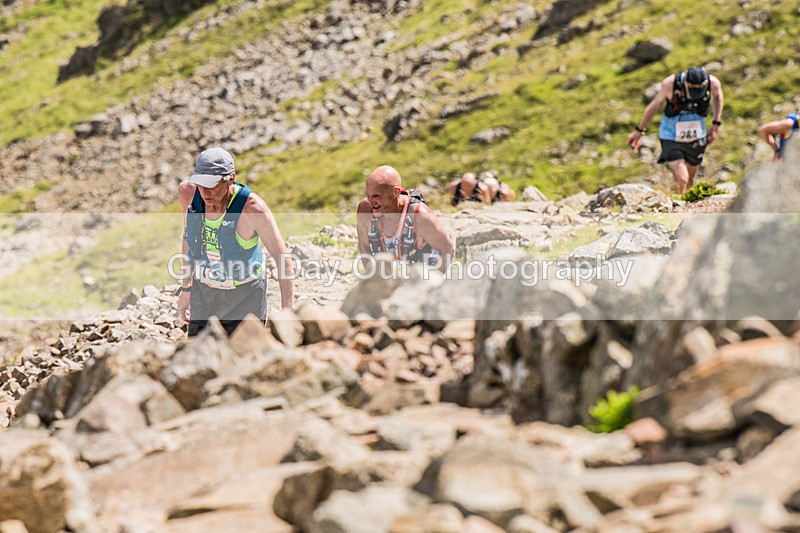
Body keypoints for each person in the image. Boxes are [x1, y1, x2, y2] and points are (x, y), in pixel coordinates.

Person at [177, 147, 294, 336]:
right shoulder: (189, 194)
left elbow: (284, 261)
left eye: (211, 185)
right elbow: (188, 239)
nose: (205, 192)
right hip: (204, 293)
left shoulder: (253, 210)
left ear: (230, 178)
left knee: (245, 360)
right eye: (200, 183)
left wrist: (287, 316)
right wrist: (186, 289)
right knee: (199, 358)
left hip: (245, 297)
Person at [627, 67, 724, 194]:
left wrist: (716, 124)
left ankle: (681, 202)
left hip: (696, 135)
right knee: (682, 178)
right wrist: (639, 130)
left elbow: (718, 97)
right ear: (685, 83)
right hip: (670, 135)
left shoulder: (713, 84)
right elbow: (655, 105)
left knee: (690, 180)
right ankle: (677, 204)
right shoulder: (670, 84)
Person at [357, 165, 455, 272]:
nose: (371, 202)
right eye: (368, 195)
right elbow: (364, 247)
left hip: (419, 278)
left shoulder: (420, 216)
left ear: (396, 192)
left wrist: (431, 282)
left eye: (377, 196)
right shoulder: (365, 209)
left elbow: (447, 248)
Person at [449, 170, 516, 205]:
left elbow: (487, 204)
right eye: (464, 185)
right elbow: (452, 202)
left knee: (505, 193)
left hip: (494, 196)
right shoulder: (454, 186)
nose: (466, 188)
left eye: (469, 186)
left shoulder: (483, 189)